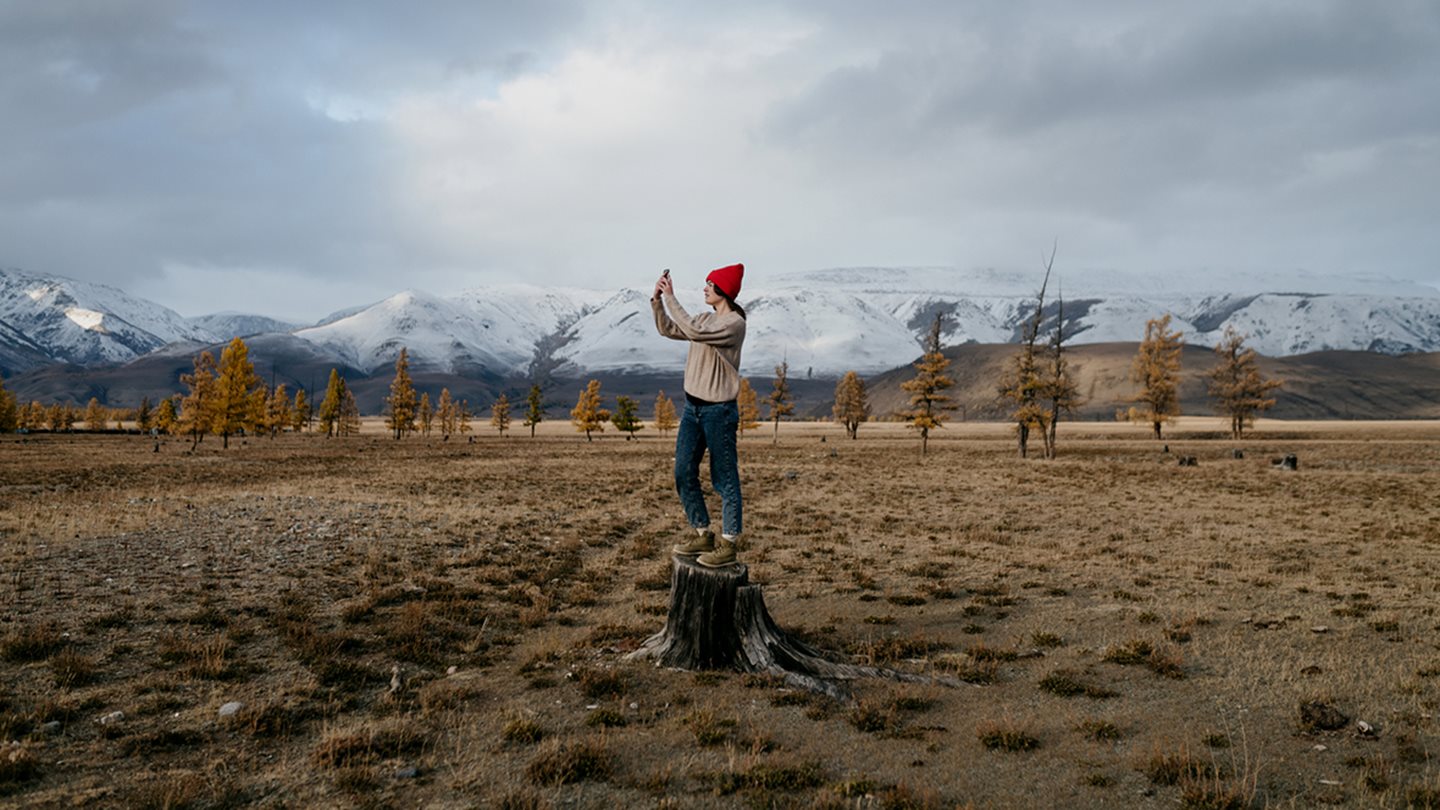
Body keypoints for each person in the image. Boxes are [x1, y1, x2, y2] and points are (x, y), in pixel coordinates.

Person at [651, 263, 747, 567]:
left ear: (723, 290)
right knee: (682, 472)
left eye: (710, 283)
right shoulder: (705, 319)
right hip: (692, 409)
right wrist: (657, 301)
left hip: (719, 411)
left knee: (724, 478)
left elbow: (693, 329)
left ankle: (729, 543)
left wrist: (671, 297)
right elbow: (669, 328)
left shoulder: (733, 324)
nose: (705, 288)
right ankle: (703, 533)